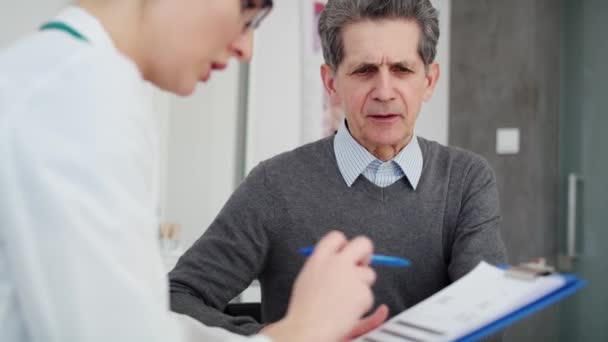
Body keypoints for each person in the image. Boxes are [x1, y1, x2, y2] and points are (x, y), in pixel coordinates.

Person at [0, 1, 384, 341]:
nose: (246, 48)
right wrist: (302, 333)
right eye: (248, 9)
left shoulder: (72, 79)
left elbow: (144, 325)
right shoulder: (75, 94)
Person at [168, 0, 508, 336]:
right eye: (364, 71)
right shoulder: (274, 185)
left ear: (429, 81)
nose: (385, 92)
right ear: (331, 82)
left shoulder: (466, 180)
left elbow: (486, 318)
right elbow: (176, 298)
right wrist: (278, 338)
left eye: (402, 70)